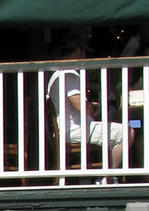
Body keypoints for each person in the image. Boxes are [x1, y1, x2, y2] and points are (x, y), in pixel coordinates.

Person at [47, 32, 133, 170]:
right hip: (75, 129)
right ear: (78, 51)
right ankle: (108, 177)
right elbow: (80, 105)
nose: (85, 57)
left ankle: (96, 175)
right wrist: (94, 108)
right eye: (84, 53)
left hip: (71, 128)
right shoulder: (69, 74)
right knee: (127, 132)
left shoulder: (57, 73)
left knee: (112, 131)